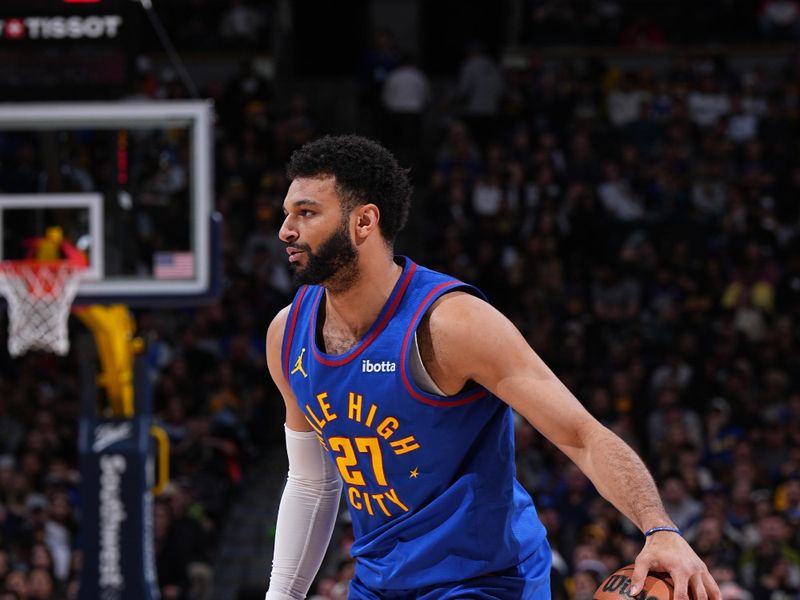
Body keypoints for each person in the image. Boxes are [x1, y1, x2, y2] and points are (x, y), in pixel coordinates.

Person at [264, 135, 720, 600]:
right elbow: (312, 482)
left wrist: (659, 528)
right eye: (287, 213)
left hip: (483, 582)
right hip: (378, 584)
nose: (285, 230)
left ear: (364, 221)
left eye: (306, 212)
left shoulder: (450, 324)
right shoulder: (287, 335)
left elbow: (580, 435)